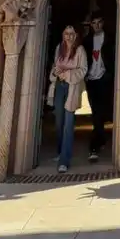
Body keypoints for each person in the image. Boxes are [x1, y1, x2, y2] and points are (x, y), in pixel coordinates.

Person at [47, 25, 88, 173]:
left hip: (71, 87)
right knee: (59, 121)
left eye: (72, 34)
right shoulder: (59, 48)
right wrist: (56, 71)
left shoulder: (80, 50)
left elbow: (83, 70)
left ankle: (65, 160)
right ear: (63, 35)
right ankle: (60, 152)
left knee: (68, 124)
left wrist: (67, 74)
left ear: (76, 35)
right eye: (66, 33)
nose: (69, 36)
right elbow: (55, 65)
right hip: (59, 86)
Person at [83, 14, 113, 162]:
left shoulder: (109, 39)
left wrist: (109, 74)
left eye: (99, 22)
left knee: (101, 111)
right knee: (96, 111)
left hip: (104, 78)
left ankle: (95, 144)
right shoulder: (87, 41)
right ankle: (99, 139)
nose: (96, 26)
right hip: (92, 80)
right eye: (93, 23)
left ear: (103, 23)